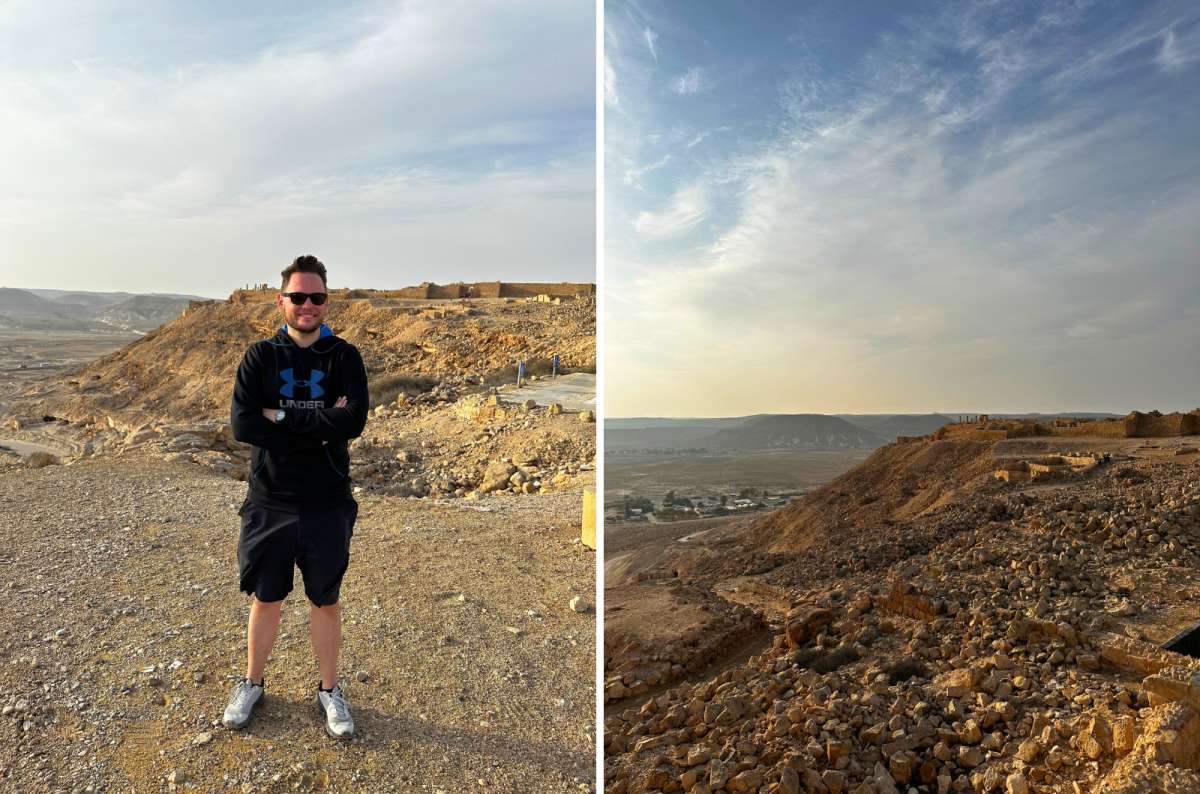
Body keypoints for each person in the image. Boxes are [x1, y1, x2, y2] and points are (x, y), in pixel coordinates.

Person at [223, 254, 369, 738]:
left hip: (327, 499)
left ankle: (329, 691)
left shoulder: (344, 357)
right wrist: (321, 423)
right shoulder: (260, 358)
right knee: (266, 599)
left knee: (325, 600)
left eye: (317, 297)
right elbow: (244, 425)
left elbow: (354, 422)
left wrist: (280, 418)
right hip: (271, 499)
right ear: (281, 300)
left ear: (326, 302)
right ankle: (252, 682)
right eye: (298, 296)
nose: (308, 305)